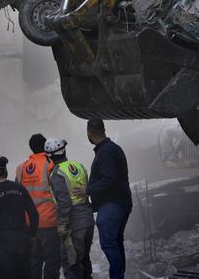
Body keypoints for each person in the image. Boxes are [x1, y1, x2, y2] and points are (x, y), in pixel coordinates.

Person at [86, 119, 132, 279]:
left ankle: (118, 277)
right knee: (117, 242)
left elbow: (109, 178)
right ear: (104, 130)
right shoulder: (113, 148)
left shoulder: (105, 152)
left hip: (112, 205)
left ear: (89, 134)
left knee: (109, 243)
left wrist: (87, 190)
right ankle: (119, 276)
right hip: (121, 203)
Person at [0, 156, 39, 279]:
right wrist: (32, 236)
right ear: (4, 171)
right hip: (21, 241)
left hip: (2, 245)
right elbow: (34, 215)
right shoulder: (19, 188)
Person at [46, 138, 94, 279]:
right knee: (84, 260)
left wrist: (62, 224)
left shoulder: (57, 174)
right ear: (64, 150)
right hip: (88, 219)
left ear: (49, 157)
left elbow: (64, 203)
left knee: (71, 263)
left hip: (74, 223)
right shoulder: (78, 165)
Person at [15, 133, 60, 279]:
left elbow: (17, 195)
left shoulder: (21, 168)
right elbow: (59, 191)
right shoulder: (50, 164)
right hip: (49, 221)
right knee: (52, 262)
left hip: (29, 225)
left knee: (34, 262)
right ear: (45, 146)